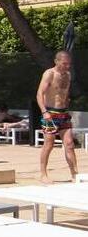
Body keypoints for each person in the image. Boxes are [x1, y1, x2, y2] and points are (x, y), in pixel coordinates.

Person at [37, 50, 77, 183]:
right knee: (49, 143)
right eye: (64, 63)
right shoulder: (49, 74)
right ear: (56, 61)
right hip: (50, 112)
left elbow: (65, 93)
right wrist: (44, 112)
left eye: (69, 64)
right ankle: (43, 174)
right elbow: (39, 94)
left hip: (63, 113)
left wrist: (67, 104)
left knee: (69, 144)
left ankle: (74, 174)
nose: (67, 66)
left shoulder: (68, 75)